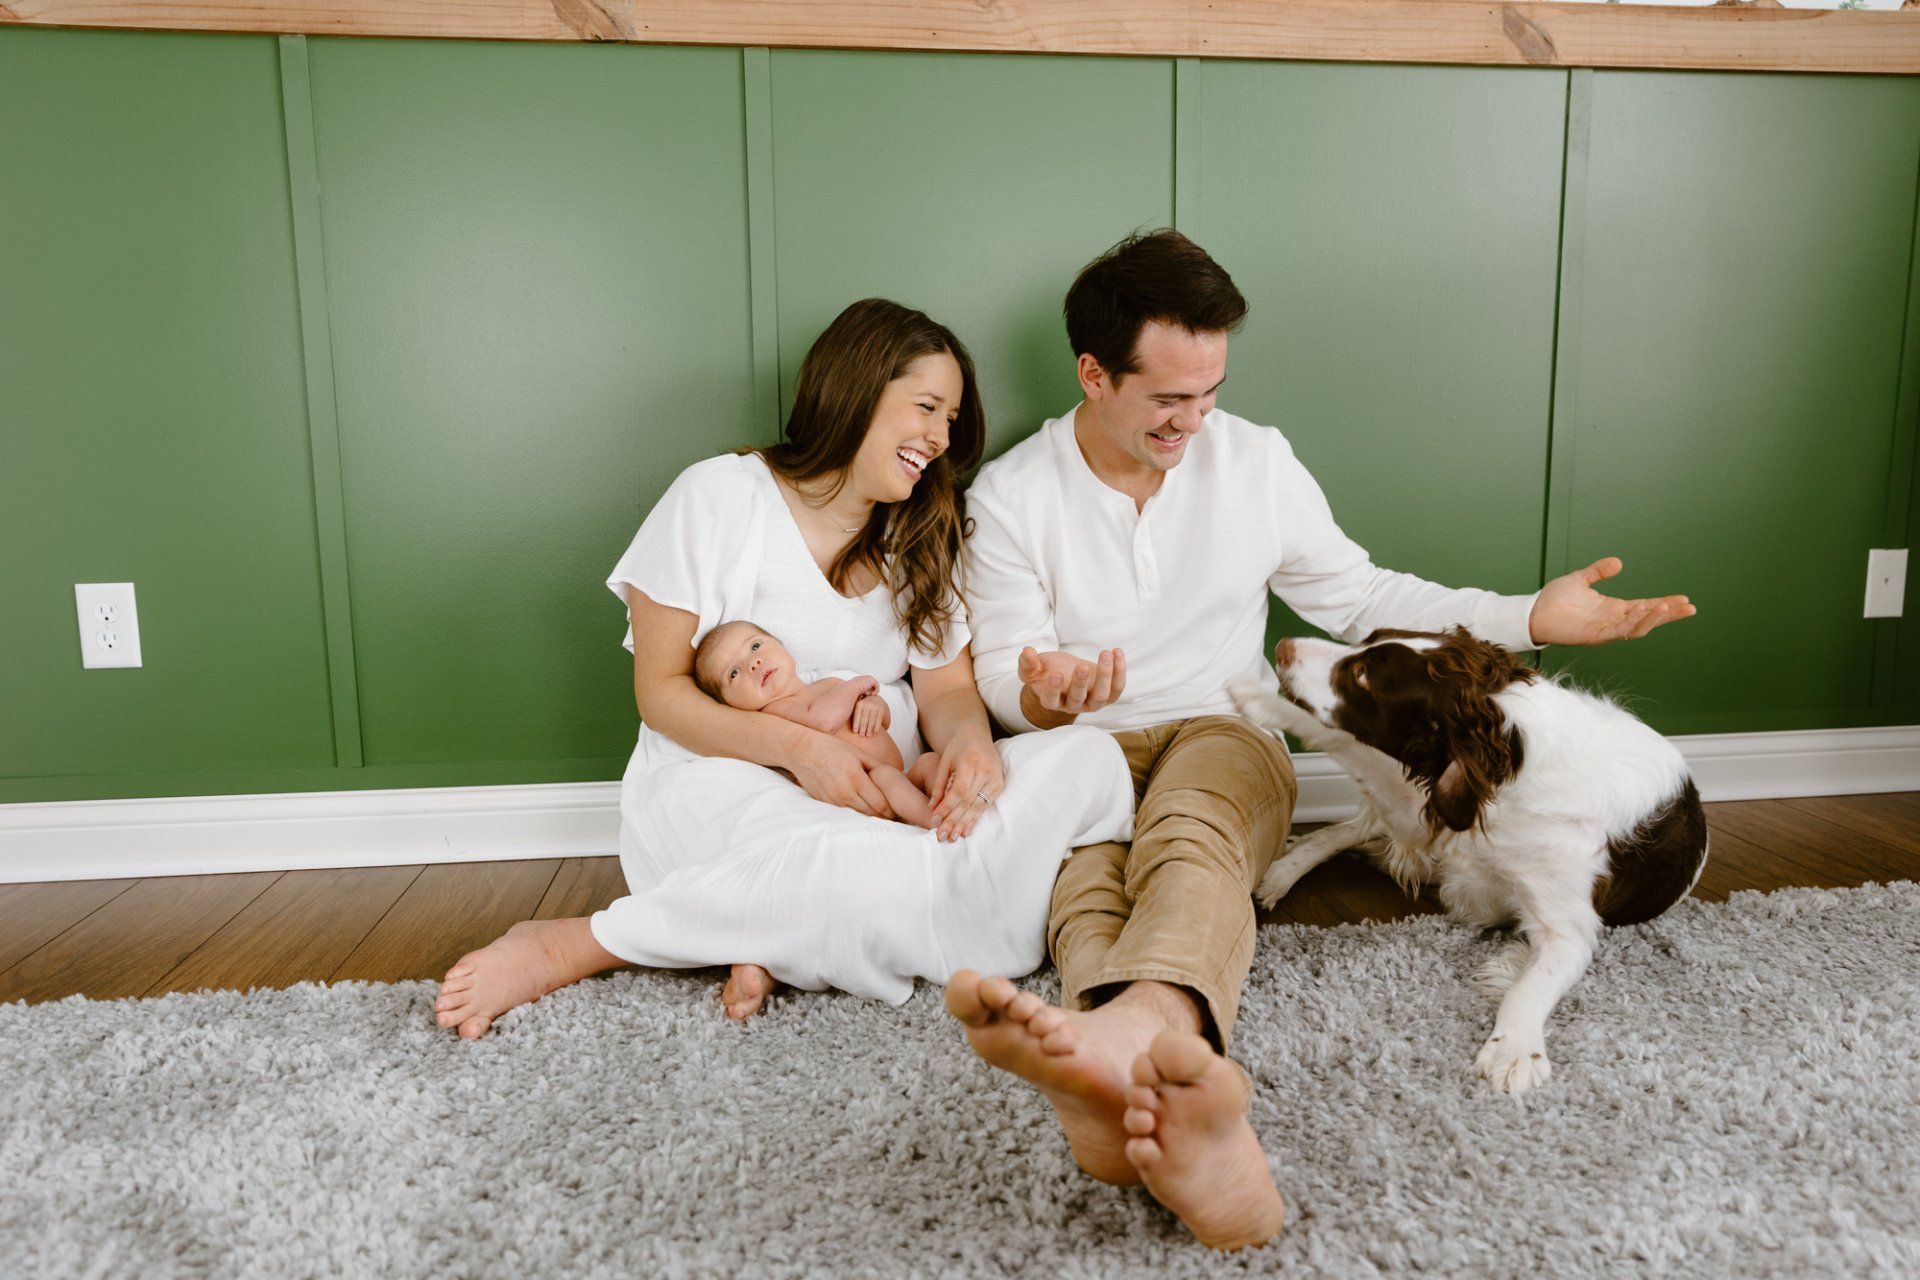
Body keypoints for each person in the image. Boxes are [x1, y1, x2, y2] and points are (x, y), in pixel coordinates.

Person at [944, 230, 1696, 1250]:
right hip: (1078, 746)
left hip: (1226, 722)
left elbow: (1364, 596)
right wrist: (1047, 692)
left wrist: (1531, 615)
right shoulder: (1009, 498)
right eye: (1170, 398)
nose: (1196, 419)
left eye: (1211, 391)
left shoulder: (1255, 462)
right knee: (1089, 869)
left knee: (1195, 833)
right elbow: (1000, 672)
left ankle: (1123, 1034)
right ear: (1094, 373)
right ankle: (1129, 1063)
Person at [433, 298, 1134, 1031]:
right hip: (731, 788)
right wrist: (803, 752)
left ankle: (761, 929)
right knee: (865, 874)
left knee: (1092, 761)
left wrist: (971, 752)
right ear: (857, 388)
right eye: (927, 407)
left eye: (951, 420)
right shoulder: (720, 497)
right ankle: (582, 943)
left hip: (891, 807)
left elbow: (947, 690)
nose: (939, 436)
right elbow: (662, 692)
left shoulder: (918, 533)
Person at [693, 619, 941, 829]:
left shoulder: (829, 685)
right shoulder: (774, 714)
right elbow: (823, 721)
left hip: (902, 774)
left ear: (784, 648)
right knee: (887, 777)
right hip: (869, 786)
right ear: (728, 704)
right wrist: (857, 685)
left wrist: (874, 706)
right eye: (733, 673)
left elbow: (882, 722)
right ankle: (937, 823)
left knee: (930, 762)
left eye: (755, 646)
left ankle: (954, 807)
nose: (753, 663)